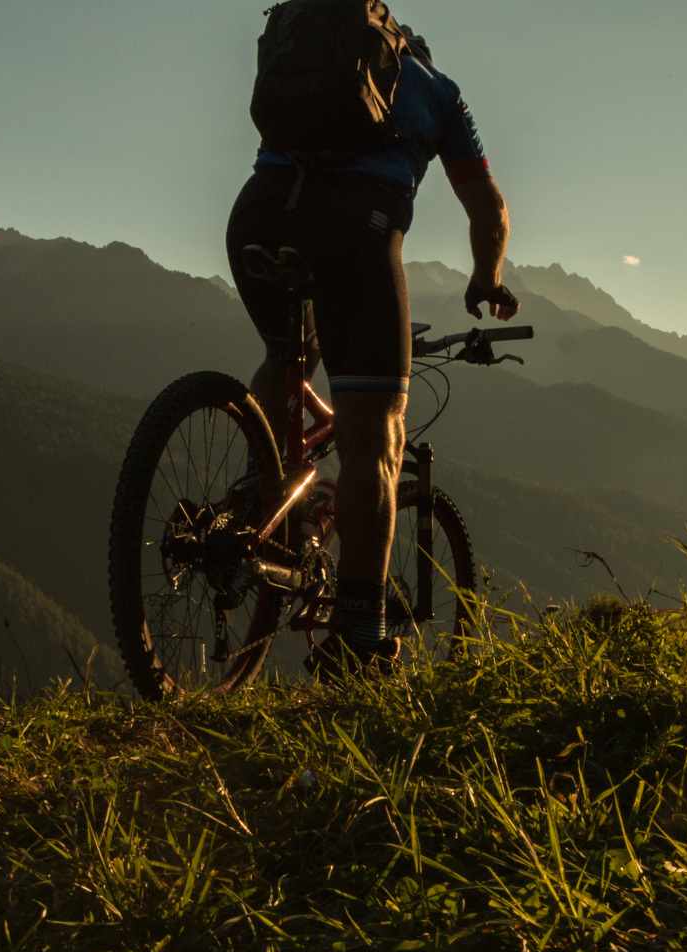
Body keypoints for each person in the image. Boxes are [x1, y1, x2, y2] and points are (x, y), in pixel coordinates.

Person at [224, 12, 518, 671]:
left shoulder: (306, 53)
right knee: (375, 437)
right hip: (354, 229)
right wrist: (487, 278)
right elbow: (488, 205)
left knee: (286, 356)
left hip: (257, 212)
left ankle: (257, 493)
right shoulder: (438, 90)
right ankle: (359, 639)